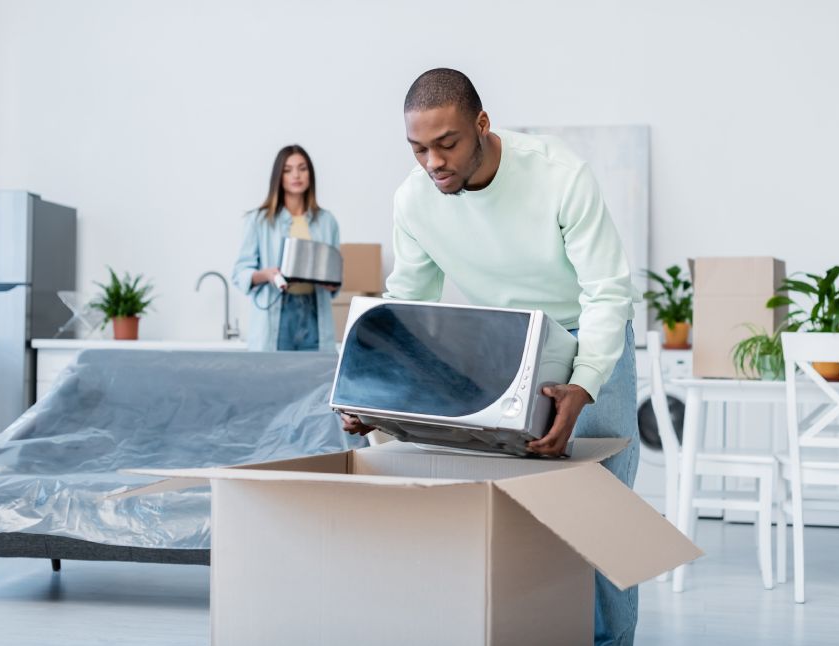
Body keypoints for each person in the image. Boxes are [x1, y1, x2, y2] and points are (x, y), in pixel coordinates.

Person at [341, 69, 640, 645]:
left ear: (482, 124)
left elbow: (606, 292)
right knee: (515, 503)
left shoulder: (560, 175)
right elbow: (406, 304)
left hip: (587, 329)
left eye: (447, 143)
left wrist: (586, 381)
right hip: (507, 340)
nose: (433, 162)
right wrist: (373, 390)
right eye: (419, 148)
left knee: (603, 511)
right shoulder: (414, 199)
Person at [232, 144, 340, 352]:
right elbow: (240, 273)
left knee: (317, 380)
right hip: (278, 313)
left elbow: (335, 277)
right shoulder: (259, 220)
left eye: (302, 168)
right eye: (288, 170)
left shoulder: (327, 221)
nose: (296, 175)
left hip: (314, 314)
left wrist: (332, 282)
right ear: (278, 177)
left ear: (310, 174)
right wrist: (267, 275)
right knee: (273, 381)